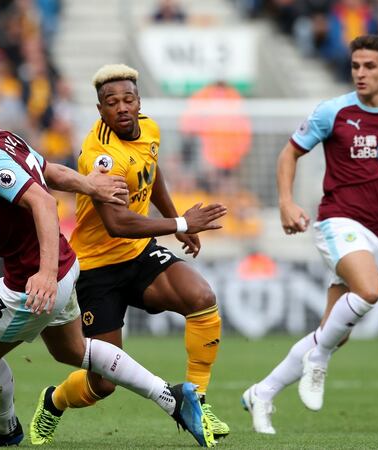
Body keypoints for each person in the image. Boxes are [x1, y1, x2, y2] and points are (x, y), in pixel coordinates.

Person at [0, 70, 215, 448]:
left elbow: (43, 201)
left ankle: (3, 430)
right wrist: (90, 183)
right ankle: (172, 398)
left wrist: (43, 275)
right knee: (74, 351)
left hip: (34, 279)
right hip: (65, 264)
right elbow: (49, 172)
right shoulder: (5, 139)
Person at [241, 35, 378, 434]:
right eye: (355, 66)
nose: (360, 74)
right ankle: (317, 362)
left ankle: (261, 393)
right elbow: (290, 153)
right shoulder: (332, 111)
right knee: (369, 291)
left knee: (334, 332)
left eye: (369, 66)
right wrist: (286, 201)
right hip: (339, 221)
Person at [29, 64, 230, 445]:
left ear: (139, 102)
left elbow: (151, 174)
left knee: (201, 298)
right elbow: (117, 224)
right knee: (103, 384)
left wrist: (175, 218)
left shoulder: (150, 128)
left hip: (139, 255)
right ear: (100, 110)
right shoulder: (100, 156)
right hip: (96, 269)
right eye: (111, 103)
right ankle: (53, 402)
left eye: (128, 99)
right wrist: (182, 225)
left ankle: (198, 402)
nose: (121, 107)